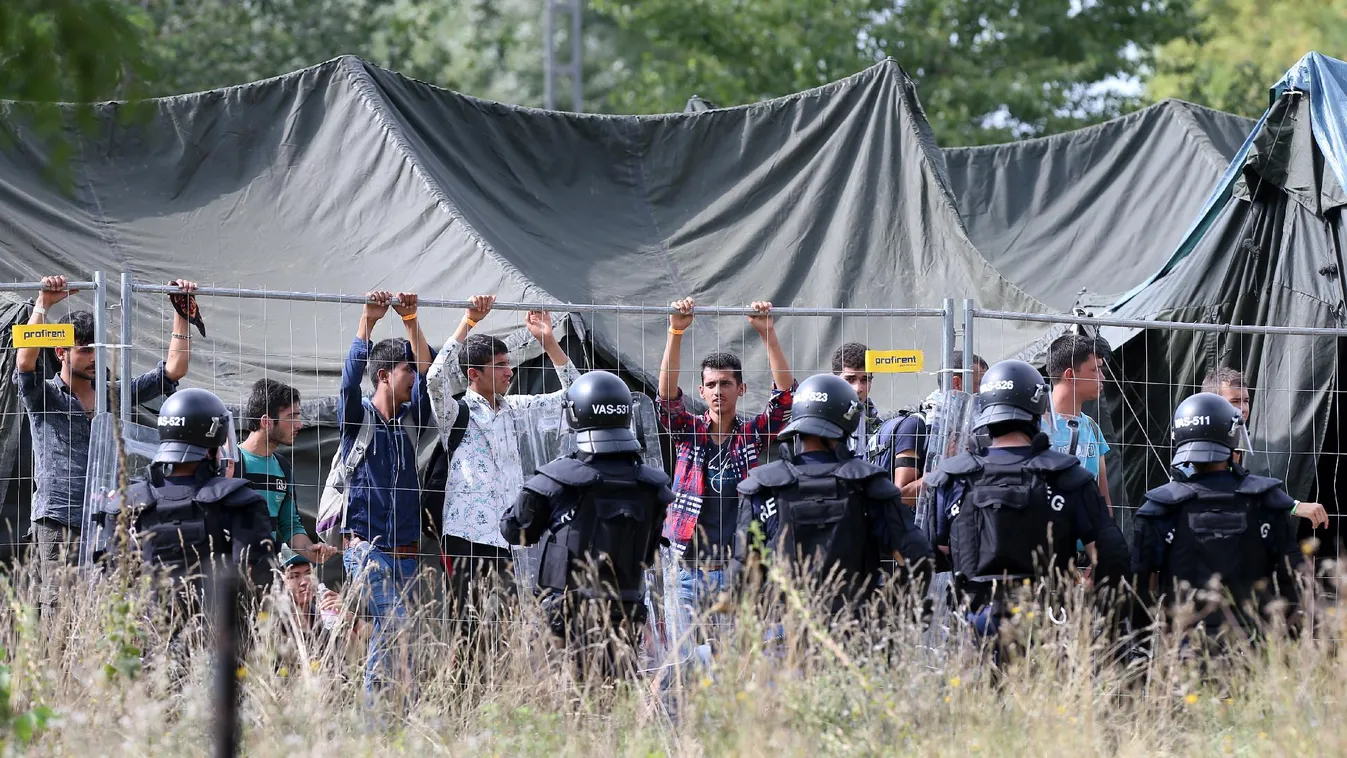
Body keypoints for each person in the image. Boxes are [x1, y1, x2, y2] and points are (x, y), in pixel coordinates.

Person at [14, 274, 198, 618]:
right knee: (59, 616)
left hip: (108, 522)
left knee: (105, 616)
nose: (93, 358)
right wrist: (44, 303)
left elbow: (174, 369)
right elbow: (24, 361)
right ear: (60, 353)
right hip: (59, 522)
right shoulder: (45, 395)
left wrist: (181, 311)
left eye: (98, 350)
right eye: (84, 351)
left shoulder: (114, 392)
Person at [501, 371, 674, 678]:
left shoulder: (556, 480)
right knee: (619, 700)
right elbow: (650, 554)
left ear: (575, 414)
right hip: (627, 611)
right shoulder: (652, 486)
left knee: (570, 706)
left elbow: (515, 530)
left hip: (566, 618)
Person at [426, 296, 581, 625]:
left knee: (505, 628)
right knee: (468, 627)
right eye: (500, 366)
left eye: (508, 364)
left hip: (506, 537)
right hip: (465, 538)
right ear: (474, 374)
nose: (509, 372)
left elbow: (576, 394)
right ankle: (465, 680)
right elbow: (434, 379)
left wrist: (549, 341)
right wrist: (468, 322)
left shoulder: (515, 409)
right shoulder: (455, 413)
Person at [927, 360, 1106, 640]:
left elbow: (936, 548)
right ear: (1036, 404)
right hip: (1046, 618)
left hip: (974, 620)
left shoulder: (952, 476)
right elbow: (1106, 549)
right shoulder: (1068, 475)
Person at [656, 298, 795, 650]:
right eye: (712, 385)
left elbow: (784, 400)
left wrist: (767, 334)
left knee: (736, 662)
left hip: (737, 569)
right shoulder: (689, 430)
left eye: (726, 384)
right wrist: (676, 331)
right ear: (701, 391)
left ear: (741, 389)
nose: (719, 392)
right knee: (685, 658)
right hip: (688, 568)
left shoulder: (751, 434)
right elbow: (666, 399)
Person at [735, 373, 933, 613]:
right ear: (847, 422)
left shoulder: (762, 486)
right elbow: (917, 557)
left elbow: (743, 572)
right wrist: (887, 608)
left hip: (784, 631)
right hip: (854, 629)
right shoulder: (869, 485)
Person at [1131, 392, 1305, 635]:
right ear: (1232, 434)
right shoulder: (1267, 502)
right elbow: (1294, 579)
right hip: (1256, 646)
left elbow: (1140, 589)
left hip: (1183, 649)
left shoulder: (1159, 508)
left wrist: (1146, 645)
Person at [337, 289, 433, 691]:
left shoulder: (412, 419)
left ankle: (389, 721)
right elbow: (347, 383)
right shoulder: (358, 417)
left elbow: (432, 375)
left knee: (398, 637)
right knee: (394, 624)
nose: (413, 378)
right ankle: (378, 721)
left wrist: (411, 320)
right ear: (384, 375)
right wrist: (368, 322)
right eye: (405, 371)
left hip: (407, 552)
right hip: (368, 550)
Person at [125, 388, 274, 602]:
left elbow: (113, 583)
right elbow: (258, 583)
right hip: (220, 633)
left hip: (146, 632)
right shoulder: (240, 502)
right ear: (210, 449)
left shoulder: (127, 504)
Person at [1201, 367, 1328, 528]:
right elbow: (1230, 488)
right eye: (1234, 401)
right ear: (1212, 403)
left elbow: (1240, 483)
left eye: (1246, 400)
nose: (1243, 409)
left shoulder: (1232, 438)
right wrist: (1294, 506)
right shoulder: (1203, 442)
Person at [237, 379, 341, 565]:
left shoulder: (283, 468)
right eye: (291, 416)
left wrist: (310, 550)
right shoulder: (230, 462)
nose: (299, 424)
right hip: (228, 572)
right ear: (266, 422)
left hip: (267, 572)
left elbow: (289, 525)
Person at [871, 350, 987, 507]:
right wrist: (944, 466)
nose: (985, 391)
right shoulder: (915, 426)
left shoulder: (970, 427)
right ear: (957, 383)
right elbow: (902, 497)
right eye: (980, 383)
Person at [1043, 334, 1112, 512]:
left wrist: (1107, 535)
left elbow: (1103, 497)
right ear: (1070, 375)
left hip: (1088, 537)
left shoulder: (1092, 428)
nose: (1102, 377)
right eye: (1095, 370)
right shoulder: (1033, 427)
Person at [831, 342, 883, 454]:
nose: (858, 388)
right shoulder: (818, 419)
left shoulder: (879, 424)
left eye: (865, 380)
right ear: (834, 380)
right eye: (850, 379)